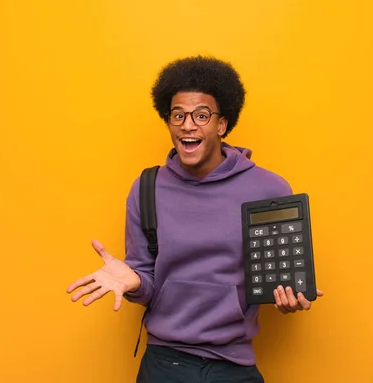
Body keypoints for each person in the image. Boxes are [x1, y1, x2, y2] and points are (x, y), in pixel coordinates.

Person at [66, 55, 323, 382]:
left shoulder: (268, 188)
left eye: (201, 115)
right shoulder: (147, 188)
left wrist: (290, 297)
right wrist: (133, 281)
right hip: (163, 365)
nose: (188, 125)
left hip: (234, 366)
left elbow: (281, 276)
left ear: (221, 124)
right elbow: (146, 278)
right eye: (178, 115)